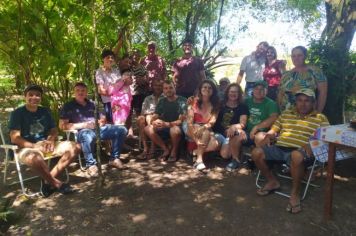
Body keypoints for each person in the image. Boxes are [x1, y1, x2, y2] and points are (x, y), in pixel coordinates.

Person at [251, 89, 329, 214]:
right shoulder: (286, 114)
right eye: (299, 100)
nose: (303, 104)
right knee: (256, 152)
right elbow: (274, 130)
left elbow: (326, 138)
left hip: (302, 151)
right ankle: (272, 181)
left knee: (296, 155)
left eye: (307, 101)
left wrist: (312, 144)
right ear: (295, 102)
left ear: (313, 103)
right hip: (280, 147)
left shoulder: (320, 117)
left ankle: (295, 193)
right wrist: (269, 135)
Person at [9, 85, 79, 197]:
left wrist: (50, 140)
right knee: (34, 158)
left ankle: (47, 181)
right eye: (30, 94)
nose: (34, 97)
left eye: (37, 95)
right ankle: (56, 183)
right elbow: (15, 138)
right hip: (25, 147)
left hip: (46, 143)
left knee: (75, 147)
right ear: (25, 97)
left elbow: (54, 129)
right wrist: (34, 146)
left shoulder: (45, 111)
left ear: (41, 97)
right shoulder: (17, 113)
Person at [59, 82, 128, 177]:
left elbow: (103, 118)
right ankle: (91, 164)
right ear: (74, 92)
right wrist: (84, 125)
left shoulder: (93, 104)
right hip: (82, 131)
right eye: (78, 90)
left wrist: (100, 122)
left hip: (99, 129)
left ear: (86, 92)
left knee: (121, 129)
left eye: (83, 90)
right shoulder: (68, 106)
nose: (80, 92)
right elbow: (62, 126)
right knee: (86, 135)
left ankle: (114, 159)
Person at [144, 80, 187, 162]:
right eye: (166, 88)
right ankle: (165, 149)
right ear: (163, 90)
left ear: (175, 88)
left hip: (178, 128)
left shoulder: (182, 100)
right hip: (164, 127)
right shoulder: (162, 101)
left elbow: (181, 120)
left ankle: (174, 151)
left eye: (171, 88)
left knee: (174, 130)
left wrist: (167, 124)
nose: (168, 90)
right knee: (148, 128)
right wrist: (154, 121)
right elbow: (156, 115)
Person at [277, 46, 328, 112]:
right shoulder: (286, 74)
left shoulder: (315, 71)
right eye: (293, 56)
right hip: (286, 115)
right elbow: (280, 93)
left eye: (299, 55)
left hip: (307, 114)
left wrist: (318, 112)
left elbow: (323, 92)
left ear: (305, 56)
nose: (296, 58)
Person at [213, 83, 249, 171]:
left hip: (231, 135)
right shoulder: (221, 104)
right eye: (231, 91)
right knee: (213, 145)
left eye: (236, 92)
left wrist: (233, 126)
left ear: (240, 94)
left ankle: (233, 154)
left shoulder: (242, 106)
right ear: (227, 93)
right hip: (218, 133)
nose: (233, 94)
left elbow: (242, 123)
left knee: (225, 155)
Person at [185, 80, 220, 170]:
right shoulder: (193, 101)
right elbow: (189, 122)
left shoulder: (215, 104)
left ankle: (194, 152)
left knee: (214, 145)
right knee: (206, 133)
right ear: (200, 89)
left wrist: (203, 127)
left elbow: (212, 121)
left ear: (213, 91)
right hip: (191, 125)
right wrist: (196, 140)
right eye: (204, 87)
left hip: (206, 126)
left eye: (210, 88)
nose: (207, 89)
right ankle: (199, 160)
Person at [245, 81, 279, 147]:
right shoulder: (247, 101)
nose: (259, 91)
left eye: (262, 89)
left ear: (266, 91)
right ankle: (235, 157)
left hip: (262, 132)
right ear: (253, 90)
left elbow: (274, 117)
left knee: (260, 138)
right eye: (256, 89)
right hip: (246, 131)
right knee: (236, 137)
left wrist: (257, 127)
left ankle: (257, 155)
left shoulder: (271, 103)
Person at [136, 79, 164, 160]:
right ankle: (145, 148)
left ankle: (152, 146)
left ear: (162, 87)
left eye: (160, 86)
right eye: (156, 85)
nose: (158, 87)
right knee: (141, 118)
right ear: (152, 87)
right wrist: (150, 115)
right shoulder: (147, 99)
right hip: (149, 118)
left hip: (160, 119)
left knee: (152, 117)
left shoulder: (165, 98)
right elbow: (142, 113)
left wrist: (155, 115)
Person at [95, 49, 121, 123]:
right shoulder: (99, 71)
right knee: (111, 122)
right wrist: (113, 93)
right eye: (108, 57)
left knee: (120, 122)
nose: (110, 59)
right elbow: (100, 90)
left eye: (112, 57)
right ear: (103, 59)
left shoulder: (116, 71)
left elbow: (120, 85)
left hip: (119, 101)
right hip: (108, 102)